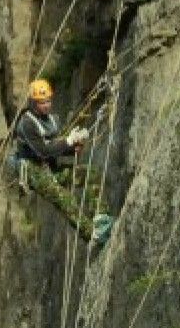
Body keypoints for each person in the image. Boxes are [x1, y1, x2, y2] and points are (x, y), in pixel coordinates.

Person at [10, 79, 112, 245]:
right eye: (42, 102)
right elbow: (43, 151)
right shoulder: (26, 123)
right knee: (64, 199)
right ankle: (91, 235)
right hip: (34, 172)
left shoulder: (52, 119)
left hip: (51, 167)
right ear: (33, 103)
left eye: (48, 101)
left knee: (89, 174)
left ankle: (101, 217)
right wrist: (69, 142)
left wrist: (73, 147)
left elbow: (56, 145)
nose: (46, 105)